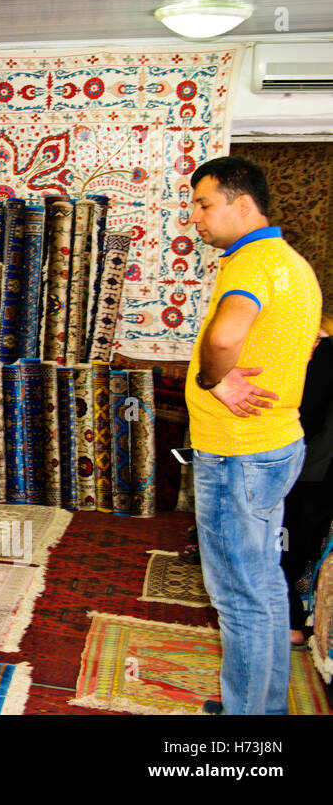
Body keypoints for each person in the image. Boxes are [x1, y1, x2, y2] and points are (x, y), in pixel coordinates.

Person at [185, 155, 322, 715]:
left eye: (204, 204)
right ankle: (263, 710)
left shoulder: (248, 263)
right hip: (275, 442)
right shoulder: (294, 263)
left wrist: (212, 379)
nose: (195, 217)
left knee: (238, 595)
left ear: (243, 204)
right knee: (262, 582)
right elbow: (307, 340)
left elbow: (224, 336)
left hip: (236, 451)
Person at [282, 313, 333, 646]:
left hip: (314, 468)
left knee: (287, 541)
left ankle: (289, 622)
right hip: (320, 470)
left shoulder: (328, 353)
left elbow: (309, 414)